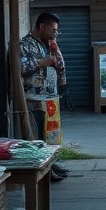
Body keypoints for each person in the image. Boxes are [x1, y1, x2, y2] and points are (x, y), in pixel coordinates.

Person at [19, 11, 69, 181]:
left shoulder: (48, 44)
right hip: (34, 99)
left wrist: (56, 52)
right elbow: (23, 69)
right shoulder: (26, 44)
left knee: (50, 135)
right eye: (53, 30)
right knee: (38, 137)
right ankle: (43, 172)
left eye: (57, 31)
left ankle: (51, 164)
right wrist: (42, 62)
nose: (55, 34)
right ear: (42, 26)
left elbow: (60, 66)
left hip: (50, 97)